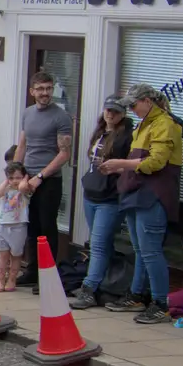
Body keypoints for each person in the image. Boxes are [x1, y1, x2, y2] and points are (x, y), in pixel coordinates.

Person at [99, 84, 183, 325]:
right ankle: (136, 296)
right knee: (139, 250)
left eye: (134, 105)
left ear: (148, 101)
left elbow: (156, 163)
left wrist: (120, 164)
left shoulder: (166, 124)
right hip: (136, 192)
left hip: (153, 194)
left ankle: (160, 304)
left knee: (151, 251)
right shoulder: (144, 123)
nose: (133, 110)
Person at [69, 99, 136, 310]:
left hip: (110, 197)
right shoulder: (100, 132)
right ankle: (104, 286)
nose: (111, 115)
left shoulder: (127, 136)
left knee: (98, 243)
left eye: (116, 112)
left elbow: (132, 167)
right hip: (92, 193)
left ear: (123, 114)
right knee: (101, 244)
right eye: (108, 110)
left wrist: (116, 168)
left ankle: (89, 289)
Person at [11, 69, 73, 288]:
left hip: (49, 181)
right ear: (32, 91)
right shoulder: (27, 113)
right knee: (31, 227)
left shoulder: (61, 116)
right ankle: (32, 272)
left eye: (48, 88)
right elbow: (23, 144)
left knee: (47, 228)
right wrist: (15, 175)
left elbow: (64, 153)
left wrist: (39, 177)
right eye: (40, 89)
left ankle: (48, 277)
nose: (45, 93)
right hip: (27, 179)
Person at [0, 161, 30, 292]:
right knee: (3, 255)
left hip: (18, 226)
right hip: (3, 225)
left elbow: (25, 187)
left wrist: (25, 179)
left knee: (16, 255)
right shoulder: (6, 189)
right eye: (11, 178)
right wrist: (7, 181)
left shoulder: (24, 190)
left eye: (18, 177)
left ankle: (12, 279)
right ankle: (0, 280)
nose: (15, 181)